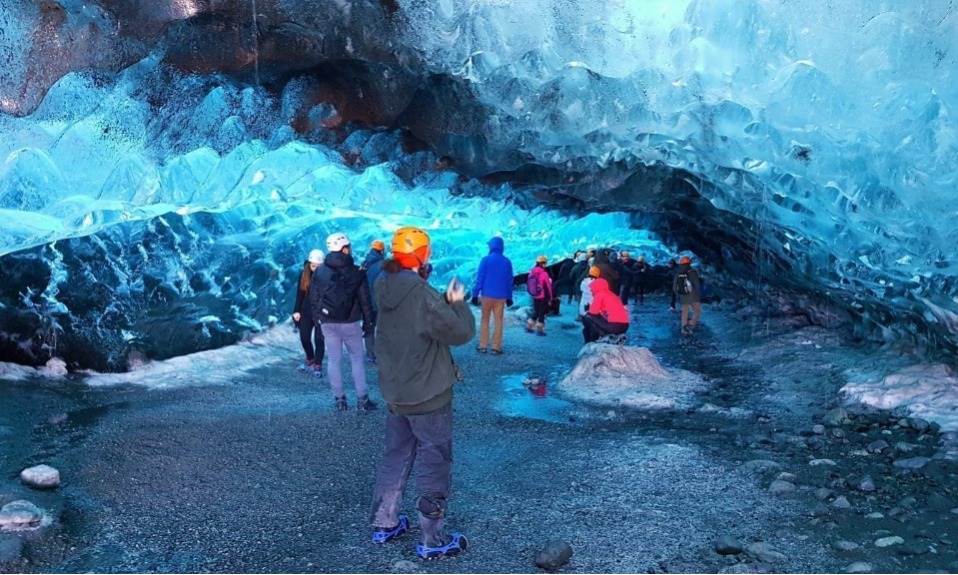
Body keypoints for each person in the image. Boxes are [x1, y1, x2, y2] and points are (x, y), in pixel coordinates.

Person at [369, 226, 476, 560]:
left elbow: (415, 316)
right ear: (421, 253)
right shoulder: (420, 294)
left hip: (396, 392)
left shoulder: (384, 284)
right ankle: (433, 539)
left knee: (396, 455)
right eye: (427, 250)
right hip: (428, 395)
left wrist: (435, 297)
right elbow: (460, 332)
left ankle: (384, 522)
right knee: (435, 459)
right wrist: (456, 302)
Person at [309, 232, 376, 411]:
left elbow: (314, 298)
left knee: (333, 360)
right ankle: (362, 399)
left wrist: (317, 321)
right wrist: (369, 323)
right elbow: (365, 300)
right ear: (345, 249)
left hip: (327, 321)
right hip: (351, 322)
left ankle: (339, 399)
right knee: (357, 359)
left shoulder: (320, 271)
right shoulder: (356, 272)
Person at [469, 236, 514, 355]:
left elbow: (480, 278)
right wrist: (509, 297)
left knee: (485, 319)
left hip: (486, 295)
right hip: (501, 297)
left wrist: (475, 294)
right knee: (498, 321)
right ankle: (496, 347)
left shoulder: (485, 260)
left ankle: (483, 345)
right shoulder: (507, 262)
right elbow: (509, 281)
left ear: (492, 246)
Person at [292, 249, 326, 376]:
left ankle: (318, 363)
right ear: (309, 264)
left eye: (318, 266)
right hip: (306, 310)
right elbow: (299, 294)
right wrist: (296, 310)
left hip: (321, 311)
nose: (315, 268)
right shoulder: (303, 274)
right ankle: (310, 358)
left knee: (319, 339)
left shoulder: (327, 275)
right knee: (304, 338)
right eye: (313, 266)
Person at [360, 240, 386, 365]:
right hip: (379, 302)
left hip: (365, 301)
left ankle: (370, 354)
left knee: (368, 327)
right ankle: (382, 353)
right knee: (382, 328)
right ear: (382, 251)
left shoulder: (365, 263)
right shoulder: (383, 265)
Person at [582, 276, 630, 344]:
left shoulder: (599, 294)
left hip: (614, 326)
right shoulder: (612, 294)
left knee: (588, 317)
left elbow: (593, 313)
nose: (591, 290)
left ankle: (599, 338)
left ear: (596, 287)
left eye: (592, 288)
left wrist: (588, 309)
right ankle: (615, 337)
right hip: (625, 326)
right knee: (595, 317)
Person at [525, 256, 554, 336]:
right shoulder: (544, 274)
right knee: (542, 313)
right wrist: (550, 298)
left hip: (535, 295)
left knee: (536, 311)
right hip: (543, 296)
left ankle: (529, 327)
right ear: (542, 264)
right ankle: (539, 330)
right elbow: (548, 287)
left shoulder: (531, 272)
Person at [673, 255, 702, 334]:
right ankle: (691, 324)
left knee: (685, 311)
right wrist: (699, 294)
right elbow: (697, 285)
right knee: (697, 311)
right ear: (689, 263)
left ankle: (683, 328)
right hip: (693, 295)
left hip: (683, 295)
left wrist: (678, 294)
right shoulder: (693, 272)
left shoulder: (679, 273)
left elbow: (675, 286)